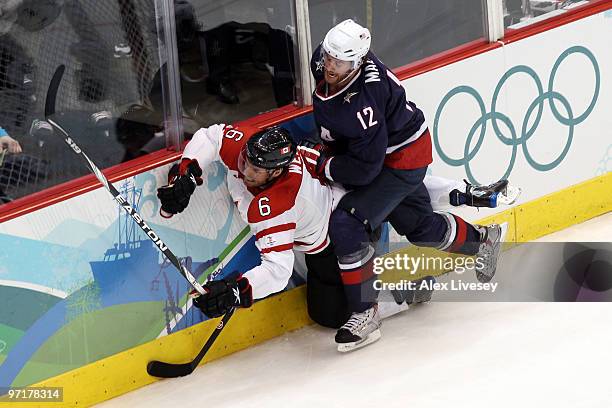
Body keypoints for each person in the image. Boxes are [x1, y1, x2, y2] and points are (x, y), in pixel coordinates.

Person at [157, 124, 517, 348]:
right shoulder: (252, 153)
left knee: (418, 219)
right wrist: (187, 174)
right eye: (246, 162)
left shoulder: (276, 203)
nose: (244, 171)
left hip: (342, 229)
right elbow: (210, 136)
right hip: (338, 196)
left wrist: (238, 289)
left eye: (255, 169)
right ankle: (405, 291)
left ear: (277, 172)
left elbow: (277, 269)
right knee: (326, 313)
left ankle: (473, 214)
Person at [309, 19, 509, 350]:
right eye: (329, 57)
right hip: (389, 150)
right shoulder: (332, 58)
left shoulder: (364, 103)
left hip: (401, 161)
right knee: (418, 226)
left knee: (347, 224)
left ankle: (365, 314)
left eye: (339, 62)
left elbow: (365, 171)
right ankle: (484, 241)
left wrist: (325, 164)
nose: (330, 66)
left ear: (358, 61)